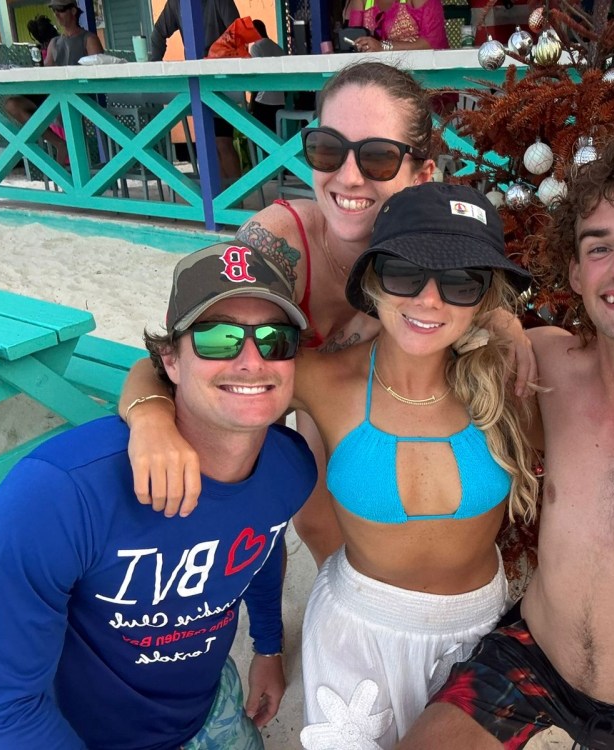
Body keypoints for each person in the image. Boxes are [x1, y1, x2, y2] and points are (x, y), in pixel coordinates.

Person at [124, 181, 539, 748]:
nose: (429, 300)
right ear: (371, 280)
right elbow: (169, 363)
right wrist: (149, 419)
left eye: (461, 281)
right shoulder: (324, 377)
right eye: (404, 274)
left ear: (486, 294)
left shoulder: (512, 379)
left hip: (480, 632)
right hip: (358, 632)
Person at [398, 130, 614, 750]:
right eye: (599, 247)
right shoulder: (548, 362)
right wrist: (502, 318)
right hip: (528, 656)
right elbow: (418, 322)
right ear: (576, 273)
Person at [121, 61, 535, 569]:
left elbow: (490, 310)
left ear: (423, 173)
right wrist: (149, 419)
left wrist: (506, 324)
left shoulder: (440, 270)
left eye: (380, 157)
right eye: (328, 149)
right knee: (309, 517)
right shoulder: (277, 246)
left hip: (362, 395)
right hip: (273, 391)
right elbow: (178, 354)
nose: (349, 175)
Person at [0, 245, 318, 749]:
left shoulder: (290, 467)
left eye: (275, 340)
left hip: (213, 706)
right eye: (219, 338)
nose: (251, 360)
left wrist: (267, 649)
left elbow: (261, 546)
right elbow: (0, 702)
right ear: (169, 359)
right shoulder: (59, 492)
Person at [150, 0, 243, 181]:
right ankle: (221, 201)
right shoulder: (176, 3)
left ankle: (235, 202)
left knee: (223, 141)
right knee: (209, 143)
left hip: (222, 80)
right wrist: (155, 66)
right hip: (196, 82)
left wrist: (217, 56)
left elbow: (238, 32)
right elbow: (158, 33)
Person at [4, 0, 103, 166]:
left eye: (61, 10)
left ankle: (70, 175)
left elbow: (100, 73)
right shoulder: (54, 42)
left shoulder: (88, 38)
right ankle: (58, 144)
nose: (56, 14)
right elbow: (48, 73)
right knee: (12, 104)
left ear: (73, 11)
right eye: (54, 10)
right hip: (54, 95)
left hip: (79, 97)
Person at [344, 0, 449, 52]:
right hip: (380, 78)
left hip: (425, 79)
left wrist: (383, 46)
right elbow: (353, 40)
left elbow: (431, 43)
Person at [248, 20, 286, 133]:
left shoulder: (256, 47)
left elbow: (257, 77)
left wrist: (252, 103)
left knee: (259, 135)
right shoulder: (278, 48)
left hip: (263, 99)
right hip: (279, 100)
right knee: (274, 134)